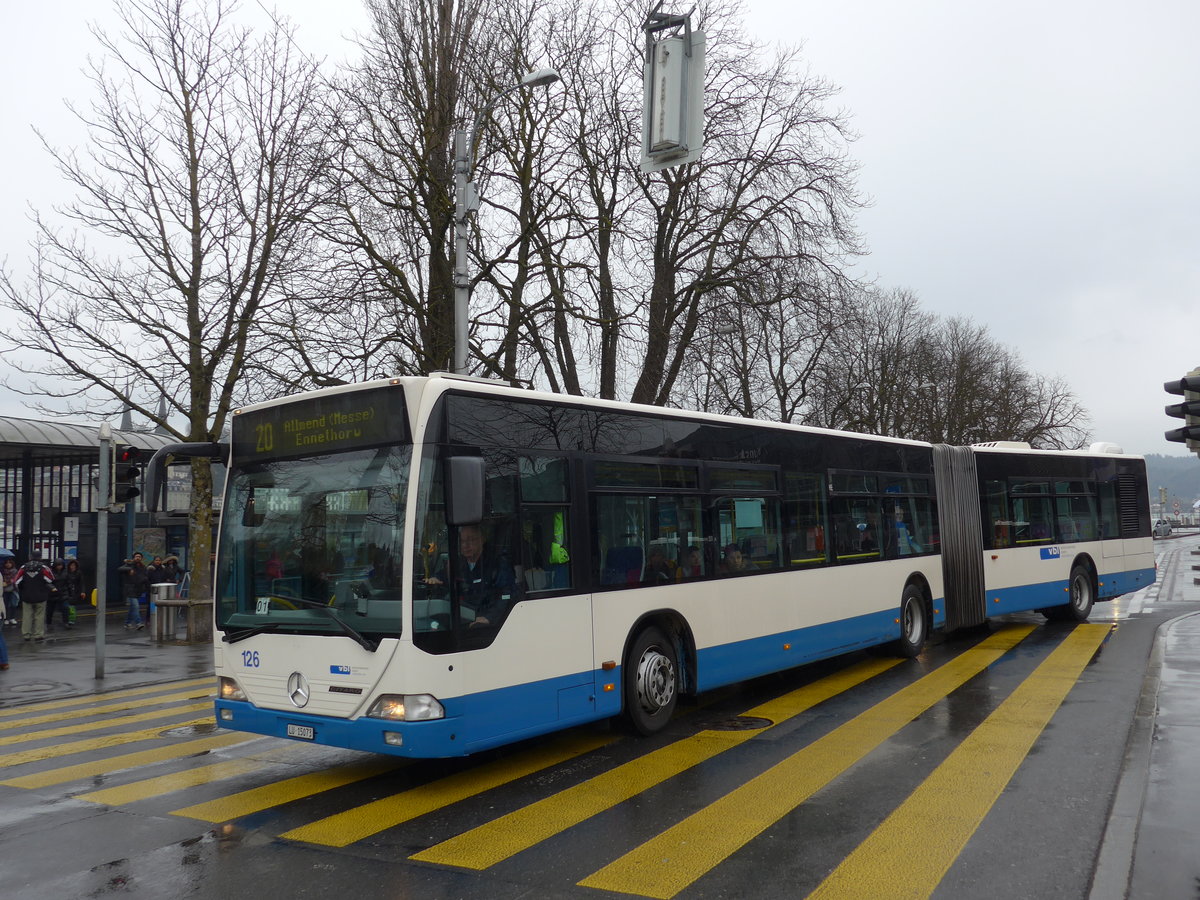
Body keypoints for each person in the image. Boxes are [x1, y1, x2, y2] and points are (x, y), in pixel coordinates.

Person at [425, 524, 515, 627]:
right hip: (462, 617)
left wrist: (489, 617)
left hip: (487, 623)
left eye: (470, 540)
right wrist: (435, 579)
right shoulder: (458, 563)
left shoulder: (496, 563)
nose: (465, 545)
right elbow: (443, 576)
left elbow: (507, 594)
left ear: (482, 540)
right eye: (462, 541)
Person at [13, 555, 56, 643]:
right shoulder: (44, 567)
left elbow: (16, 581)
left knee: (27, 616)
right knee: (39, 616)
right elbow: (51, 579)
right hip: (41, 596)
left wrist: (22, 589)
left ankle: (26, 635)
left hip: (27, 596)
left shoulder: (24, 567)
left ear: (30, 557)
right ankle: (38, 635)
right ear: (40, 557)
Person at [118, 553, 151, 631]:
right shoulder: (129, 565)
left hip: (138, 590)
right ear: (133, 558)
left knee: (133, 608)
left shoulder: (143, 567)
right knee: (136, 606)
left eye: (139, 557)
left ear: (141, 558)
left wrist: (148, 588)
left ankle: (127, 623)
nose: (138, 558)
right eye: (136, 556)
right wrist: (129, 569)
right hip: (130, 589)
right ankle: (138, 623)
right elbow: (120, 569)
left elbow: (146, 578)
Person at [46, 560, 72, 630]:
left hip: (63, 593)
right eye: (58, 565)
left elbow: (68, 582)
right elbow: (47, 582)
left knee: (65, 608)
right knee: (50, 610)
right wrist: (52, 588)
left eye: (61, 565)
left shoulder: (65, 572)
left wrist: (70, 592)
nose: (59, 567)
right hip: (52, 593)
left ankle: (66, 622)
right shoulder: (50, 572)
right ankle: (48, 623)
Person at [61, 559, 86, 626]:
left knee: (72, 606)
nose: (72, 567)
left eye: (74, 565)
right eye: (71, 565)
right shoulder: (66, 573)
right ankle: (67, 619)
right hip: (67, 591)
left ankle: (71, 619)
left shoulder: (78, 573)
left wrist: (82, 591)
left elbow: (81, 583)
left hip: (75, 591)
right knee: (67, 606)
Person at [2, 557, 19, 627]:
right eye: (6, 563)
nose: (8, 564)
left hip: (13, 590)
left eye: (9, 563)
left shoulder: (15, 571)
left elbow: (14, 579)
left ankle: (12, 618)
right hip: (4, 590)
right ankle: (6, 618)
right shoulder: (2, 571)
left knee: (13, 604)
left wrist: (7, 582)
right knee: (5, 605)